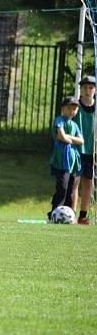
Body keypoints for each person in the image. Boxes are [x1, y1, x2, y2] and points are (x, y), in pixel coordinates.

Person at [48, 97, 84, 221]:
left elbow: (81, 141)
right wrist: (68, 138)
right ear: (63, 108)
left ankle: (68, 216)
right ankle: (54, 213)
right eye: (69, 108)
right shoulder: (59, 120)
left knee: (70, 188)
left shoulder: (74, 125)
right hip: (62, 159)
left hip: (73, 161)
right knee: (62, 186)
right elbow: (62, 137)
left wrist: (69, 138)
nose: (71, 111)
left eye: (74, 108)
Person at [74, 76, 95, 225]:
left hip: (92, 152)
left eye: (91, 88)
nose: (87, 91)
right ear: (80, 89)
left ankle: (82, 216)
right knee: (74, 182)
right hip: (77, 150)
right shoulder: (75, 107)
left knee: (88, 184)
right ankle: (71, 213)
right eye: (85, 88)